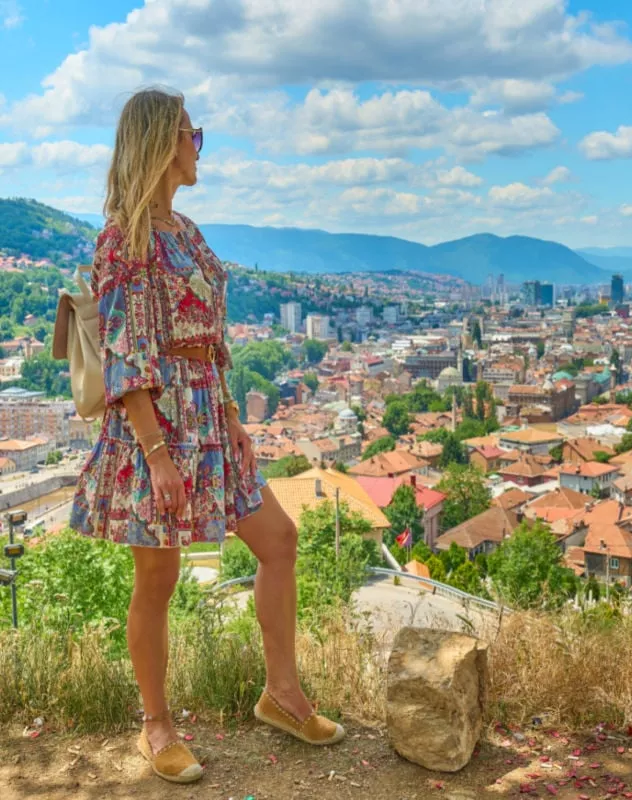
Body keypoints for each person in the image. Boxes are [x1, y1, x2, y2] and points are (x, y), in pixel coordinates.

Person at [70, 88, 344, 785]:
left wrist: (230, 419)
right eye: (195, 134)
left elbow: (208, 341)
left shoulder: (186, 231)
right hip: (152, 424)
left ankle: (282, 696)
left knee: (279, 540)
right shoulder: (121, 238)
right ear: (166, 141)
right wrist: (157, 453)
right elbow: (127, 356)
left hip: (206, 417)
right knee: (156, 577)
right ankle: (155, 726)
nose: (201, 148)